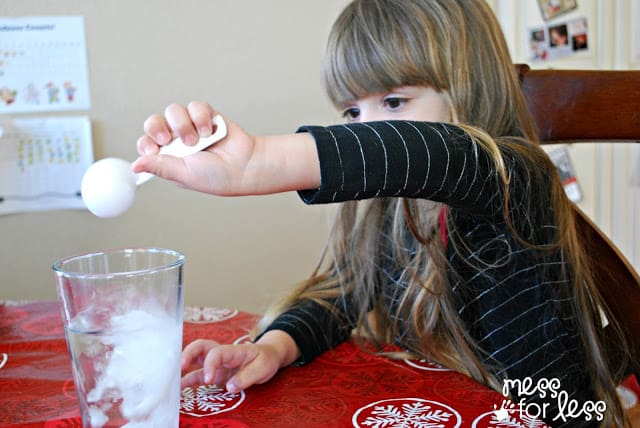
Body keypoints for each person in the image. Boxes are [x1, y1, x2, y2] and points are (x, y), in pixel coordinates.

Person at [132, 1, 630, 426]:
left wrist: (264, 161)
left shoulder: (514, 175)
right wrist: (274, 347)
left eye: (394, 101)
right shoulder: (387, 208)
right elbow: (343, 293)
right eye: (352, 113)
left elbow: (444, 155)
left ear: (470, 86)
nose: (364, 129)